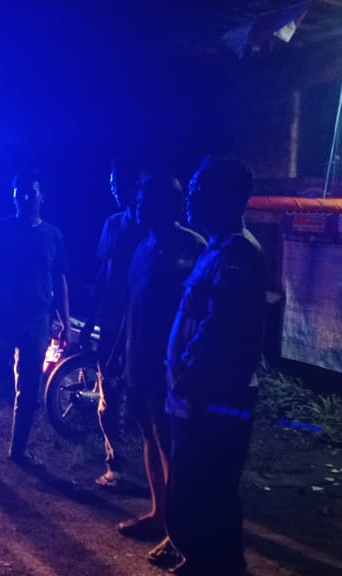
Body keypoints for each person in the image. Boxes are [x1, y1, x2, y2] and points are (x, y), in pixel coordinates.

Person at [164, 155, 267, 575]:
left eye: (200, 189)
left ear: (227, 197)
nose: (191, 197)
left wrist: (184, 373)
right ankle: (202, 562)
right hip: (197, 393)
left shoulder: (238, 254)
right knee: (195, 490)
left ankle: (218, 566)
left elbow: (220, 327)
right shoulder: (217, 248)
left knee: (208, 489)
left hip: (214, 396)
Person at [116, 175, 207, 566]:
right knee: (150, 437)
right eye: (139, 197)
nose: (139, 204)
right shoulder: (141, 248)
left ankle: (180, 534)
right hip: (139, 362)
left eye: (147, 198)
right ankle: (159, 514)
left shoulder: (193, 247)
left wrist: (187, 364)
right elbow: (132, 304)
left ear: (168, 204)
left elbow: (203, 314)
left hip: (172, 369)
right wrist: (119, 353)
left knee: (173, 447)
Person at [0, 169, 71, 475]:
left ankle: (19, 450)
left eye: (31, 192)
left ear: (41, 197)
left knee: (30, 389)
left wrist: (65, 322)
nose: (25, 197)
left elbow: (59, 280)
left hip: (36, 321)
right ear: (13, 196)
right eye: (19, 192)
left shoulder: (53, 236)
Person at [90, 156, 147, 488]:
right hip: (111, 323)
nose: (115, 189)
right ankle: (117, 466)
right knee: (109, 393)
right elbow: (105, 271)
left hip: (143, 325)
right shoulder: (112, 223)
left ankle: (160, 472)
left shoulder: (150, 228)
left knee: (145, 397)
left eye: (121, 183)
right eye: (112, 183)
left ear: (136, 185)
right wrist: (90, 320)